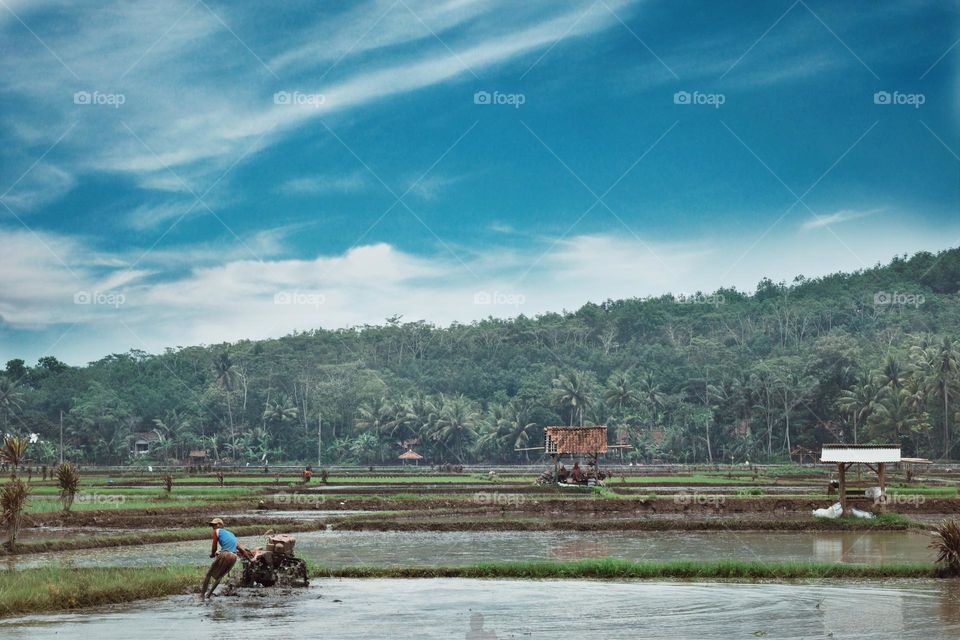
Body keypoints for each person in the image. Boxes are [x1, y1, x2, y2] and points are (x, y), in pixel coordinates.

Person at [201, 518, 247, 599]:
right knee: (220, 577)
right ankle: (208, 595)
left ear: (220, 525)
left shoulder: (217, 531)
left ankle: (201, 596)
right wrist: (250, 559)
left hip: (226, 554)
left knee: (208, 574)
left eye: (215, 525)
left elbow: (214, 546)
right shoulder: (231, 534)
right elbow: (240, 548)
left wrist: (212, 554)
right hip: (234, 557)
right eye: (212, 525)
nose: (213, 527)